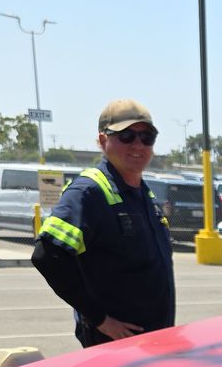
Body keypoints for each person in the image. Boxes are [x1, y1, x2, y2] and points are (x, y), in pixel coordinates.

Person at [32, 99, 174, 347]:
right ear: (102, 140)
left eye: (147, 136)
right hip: (115, 347)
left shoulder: (143, 193)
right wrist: (101, 320)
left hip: (153, 341)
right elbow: (47, 254)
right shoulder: (89, 191)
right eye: (126, 135)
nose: (138, 144)